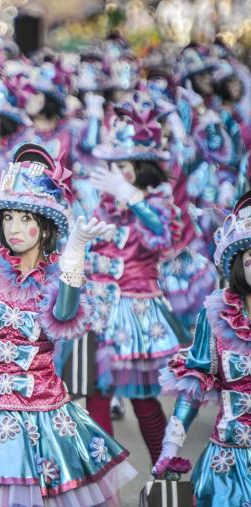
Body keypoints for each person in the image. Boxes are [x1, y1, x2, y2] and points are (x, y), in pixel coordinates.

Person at [0, 144, 136, 507]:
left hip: (39, 415)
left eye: (26, 218)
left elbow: (64, 316)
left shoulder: (56, 275)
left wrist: (74, 254)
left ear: (45, 226)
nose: (14, 228)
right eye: (9, 218)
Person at [87, 92, 189, 463]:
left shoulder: (157, 202)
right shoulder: (105, 203)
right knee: (95, 395)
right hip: (100, 311)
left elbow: (163, 241)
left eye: (125, 164)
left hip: (136, 312)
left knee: (143, 398)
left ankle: (166, 469)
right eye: (115, 165)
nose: (118, 172)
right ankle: (103, 477)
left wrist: (133, 197)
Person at [155, 190, 251, 507]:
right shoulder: (216, 315)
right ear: (238, 262)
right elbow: (195, 385)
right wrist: (170, 445)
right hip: (229, 458)